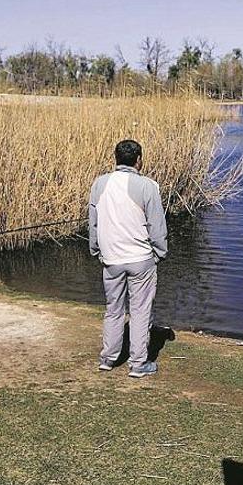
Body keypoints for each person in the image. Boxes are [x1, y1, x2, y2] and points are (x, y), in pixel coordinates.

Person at [88, 139, 168, 378]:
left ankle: (108, 358)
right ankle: (138, 363)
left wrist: (96, 250)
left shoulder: (99, 183)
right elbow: (157, 225)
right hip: (140, 258)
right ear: (139, 160)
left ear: (115, 158)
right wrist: (160, 252)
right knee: (140, 310)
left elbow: (93, 221)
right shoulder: (148, 186)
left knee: (113, 309)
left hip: (111, 258)